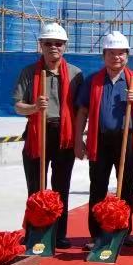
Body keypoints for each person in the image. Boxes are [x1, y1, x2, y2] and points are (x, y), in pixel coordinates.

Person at [75, 31, 133, 249]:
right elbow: (82, 111)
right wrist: (78, 140)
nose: (116, 57)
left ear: (127, 55)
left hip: (126, 139)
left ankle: (123, 232)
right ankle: (97, 234)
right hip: (99, 139)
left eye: (121, 53)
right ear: (104, 55)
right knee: (98, 186)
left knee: (126, 186)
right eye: (111, 53)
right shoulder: (93, 81)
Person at [13, 22, 83, 249]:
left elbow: (80, 110)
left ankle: (58, 234)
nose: (54, 47)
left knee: (61, 187)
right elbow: (18, 105)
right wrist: (34, 107)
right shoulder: (29, 72)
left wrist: (79, 138)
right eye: (49, 43)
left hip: (63, 135)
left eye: (58, 43)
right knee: (36, 187)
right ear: (41, 45)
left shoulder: (75, 74)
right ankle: (34, 232)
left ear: (65, 46)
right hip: (37, 132)